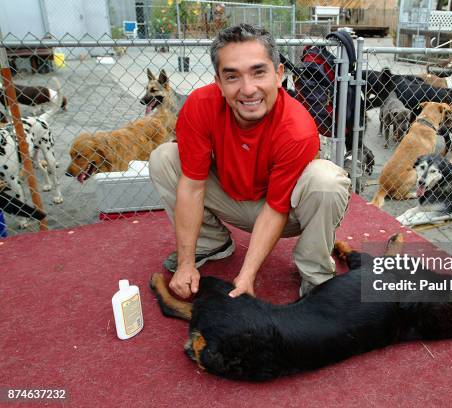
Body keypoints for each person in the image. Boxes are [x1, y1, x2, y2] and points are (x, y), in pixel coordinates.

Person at [149, 24, 351, 300]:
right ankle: (211, 244)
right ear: (218, 82)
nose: (248, 89)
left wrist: (246, 277)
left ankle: (315, 274)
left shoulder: (297, 128)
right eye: (232, 77)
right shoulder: (199, 105)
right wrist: (185, 264)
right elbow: (192, 187)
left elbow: (275, 209)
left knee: (327, 181)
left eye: (259, 72)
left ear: (279, 75)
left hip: (285, 211)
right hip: (230, 199)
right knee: (164, 158)